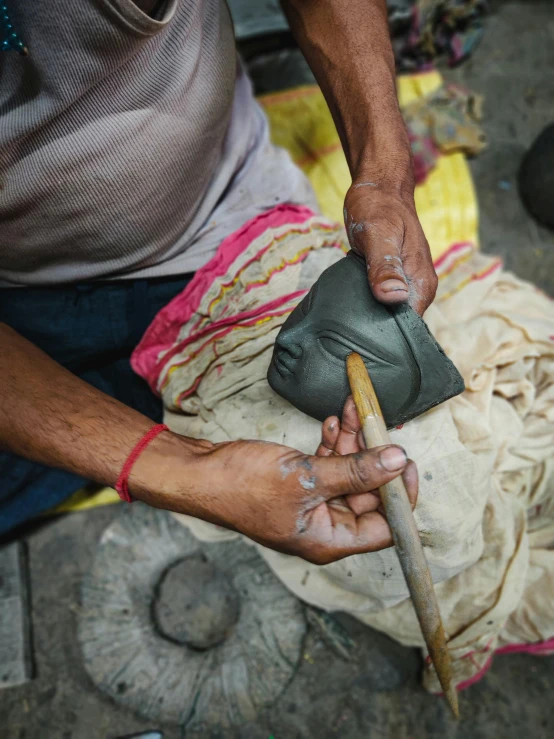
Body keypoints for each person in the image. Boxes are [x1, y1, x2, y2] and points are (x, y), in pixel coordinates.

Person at [0, 0, 433, 558]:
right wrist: (186, 470)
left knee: (391, 473)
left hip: (225, 219)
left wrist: (385, 175)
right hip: (21, 296)